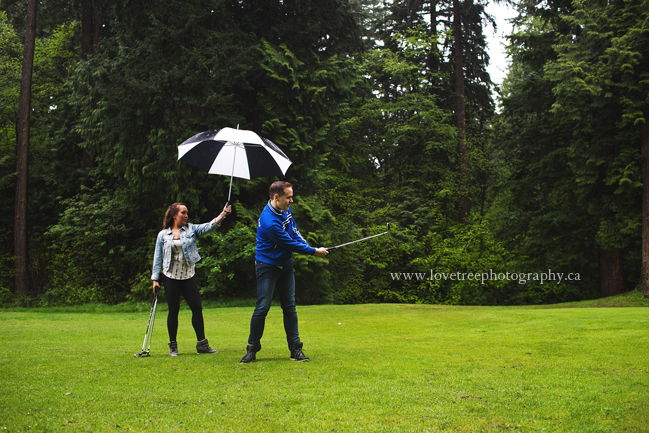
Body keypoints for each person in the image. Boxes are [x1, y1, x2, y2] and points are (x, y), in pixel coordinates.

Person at [239, 181, 328, 364]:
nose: (291, 200)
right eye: (288, 197)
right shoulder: (269, 222)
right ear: (276, 197)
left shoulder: (285, 209)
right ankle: (252, 348)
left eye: (291, 196)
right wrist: (313, 252)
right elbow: (289, 243)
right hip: (267, 266)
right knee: (262, 307)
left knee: (289, 306)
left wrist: (309, 246)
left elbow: (294, 231)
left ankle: (295, 349)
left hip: (285, 265)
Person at [151, 202, 231, 356]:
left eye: (187, 213)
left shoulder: (191, 229)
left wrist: (223, 214)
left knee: (197, 308)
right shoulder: (163, 235)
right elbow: (158, 257)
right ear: (174, 215)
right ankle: (173, 346)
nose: (186, 215)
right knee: (173, 310)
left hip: (188, 276)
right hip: (170, 277)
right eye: (183, 212)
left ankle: (202, 344)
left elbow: (209, 226)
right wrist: (155, 279)